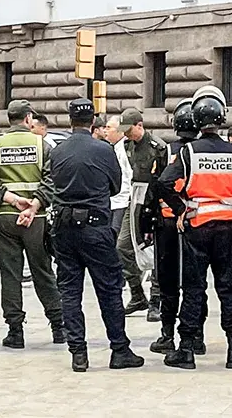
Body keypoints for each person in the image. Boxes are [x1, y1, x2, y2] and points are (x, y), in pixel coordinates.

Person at [159, 86, 232, 370]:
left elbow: (164, 184)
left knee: (193, 288)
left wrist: (181, 209)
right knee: (228, 288)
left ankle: (187, 349)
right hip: (227, 226)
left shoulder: (189, 152)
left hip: (197, 225)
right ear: (222, 118)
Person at [44, 98, 143, 372]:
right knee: (110, 289)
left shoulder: (58, 150)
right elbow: (114, 186)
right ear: (93, 122)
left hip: (64, 228)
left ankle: (78, 353)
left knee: (69, 291)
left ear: (69, 120)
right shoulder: (104, 150)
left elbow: (54, 183)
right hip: (96, 226)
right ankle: (119, 349)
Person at [0, 99, 65, 349]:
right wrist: (34, 205)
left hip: (5, 216)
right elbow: (52, 181)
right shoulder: (43, 145)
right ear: (28, 119)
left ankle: (15, 331)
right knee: (43, 272)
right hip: (35, 220)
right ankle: (58, 326)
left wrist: (14, 200)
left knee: (10, 274)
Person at [146, 99, 195, 356]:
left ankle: (167, 334)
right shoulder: (200, 151)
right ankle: (195, 334)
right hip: (196, 222)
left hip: (167, 223)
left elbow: (155, 187)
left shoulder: (165, 151)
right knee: (194, 282)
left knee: (168, 281)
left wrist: (147, 221)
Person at [122, 108, 169, 322]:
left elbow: (163, 178)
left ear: (140, 125)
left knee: (157, 250)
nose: (126, 134)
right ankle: (136, 293)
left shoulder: (157, 147)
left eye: (129, 130)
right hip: (135, 198)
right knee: (122, 246)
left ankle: (155, 301)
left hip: (154, 198)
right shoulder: (127, 145)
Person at [103, 113, 142, 314]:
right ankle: (135, 291)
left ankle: (136, 288)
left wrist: (127, 203)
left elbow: (128, 179)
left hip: (124, 203)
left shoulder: (126, 149)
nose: (105, 131)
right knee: (119, 247)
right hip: (115, 203)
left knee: (121, 246)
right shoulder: (116, 148)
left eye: (109, 127)